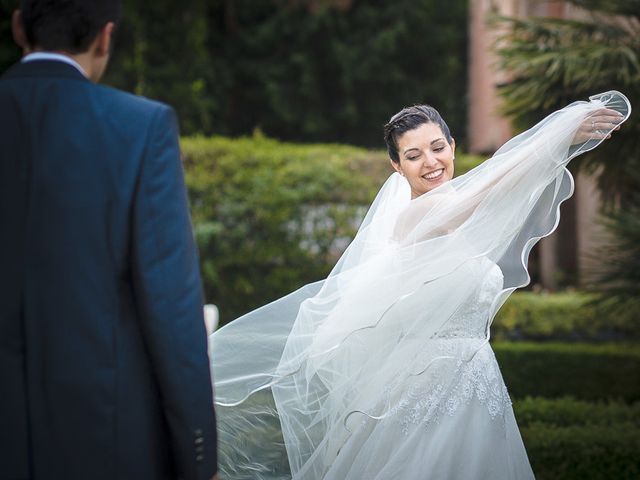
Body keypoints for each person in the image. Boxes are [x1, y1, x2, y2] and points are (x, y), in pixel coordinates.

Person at [209, 90, 630, 479]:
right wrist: (555, 139)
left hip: (478, 384)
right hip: (423, 394)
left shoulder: (465, 226)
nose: (430, 162)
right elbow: (491, 189)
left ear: (453, 147)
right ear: (397, 166)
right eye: (413, 155)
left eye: (438, 147)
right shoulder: (415, 218)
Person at [0, 1, 218, 479]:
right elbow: (172, 307)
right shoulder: (140, 127)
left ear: (19, 27)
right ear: (105, 37)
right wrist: (198, 453)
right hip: (105, 437)